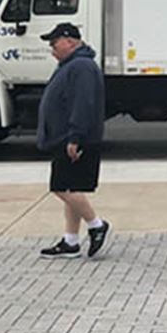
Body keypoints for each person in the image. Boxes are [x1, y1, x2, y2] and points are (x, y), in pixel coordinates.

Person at [37, 22, 111, 258]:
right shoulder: (71, 65)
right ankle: (70, 241)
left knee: (61, 187)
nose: (51, 48)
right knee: (72, 188)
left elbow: (83, 104)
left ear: (70, 41)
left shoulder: (82, 67)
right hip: (66, 136)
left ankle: (96, 224)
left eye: (54, 42)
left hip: (73, 139)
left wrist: (75, 137)